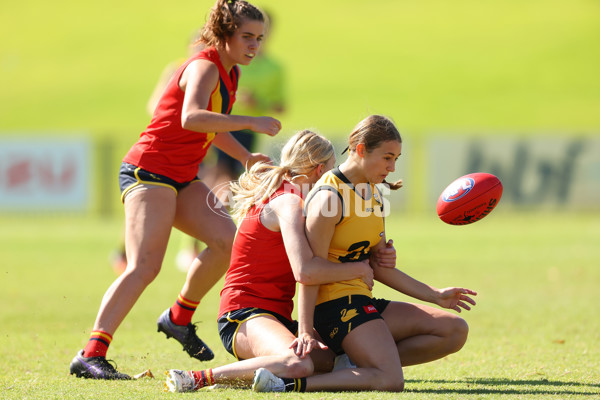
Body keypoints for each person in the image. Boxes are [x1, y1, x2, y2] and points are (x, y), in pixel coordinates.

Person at [69, 0, 281, 380]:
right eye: (247, 37)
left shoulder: (230, 72)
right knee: (144, 266)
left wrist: (247, 157)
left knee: (225, 242)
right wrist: (250, 120)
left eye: (259, 39)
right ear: (224, 34)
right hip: (148, 171)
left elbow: (209, 129)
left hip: (180, 176)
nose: (255, 45)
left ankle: (179, 317)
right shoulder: (204, 65)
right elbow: (191, 117)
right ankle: (90, 354)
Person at [252, 115, 478, 393]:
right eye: (387, 158)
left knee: (453, 330)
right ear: (360, 149)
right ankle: (288, 384)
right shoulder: (328, 197)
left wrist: (436, 294)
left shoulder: (375, 194)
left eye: (396, 158)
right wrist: (306, 330)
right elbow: (310, 272)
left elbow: (378, 268)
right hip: (333, 308)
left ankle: (356, 365)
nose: (392, 167)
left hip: (361, 299)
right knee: (390, 380)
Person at [163, 130, 394, 392]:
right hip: (243, 316)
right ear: (320, 171)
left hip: (276, 317)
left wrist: (378, 252)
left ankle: (252, 377)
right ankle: (197, 377)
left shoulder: (292, 196)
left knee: (332, 359)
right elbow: (305, 270)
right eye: (331, 173)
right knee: (299, 364)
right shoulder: (289, 202)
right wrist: (357, 269)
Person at [203, 9, 285, 205]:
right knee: (221, 172)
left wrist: (257, 103)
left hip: (247, 128)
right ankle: (211, 216)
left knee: (227, 175)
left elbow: (280, 106)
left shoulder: (274, 68)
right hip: (218, 121)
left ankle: (209, 218)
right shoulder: (227, 61)